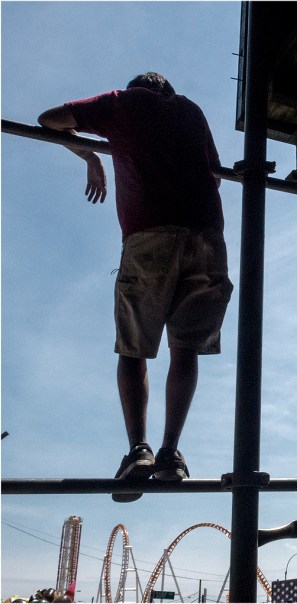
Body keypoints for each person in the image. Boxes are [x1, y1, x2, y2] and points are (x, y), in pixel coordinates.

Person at [38, 72, 234, 502]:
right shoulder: (192, 111)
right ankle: (170, 453)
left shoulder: (121, 103)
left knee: (133, 348)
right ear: (168, 90)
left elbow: (49, 118)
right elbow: (215, 176)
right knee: (184, 350)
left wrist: (91, 155)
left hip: (149, 238)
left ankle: (138, 450)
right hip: (207, 240)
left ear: (136, 88)